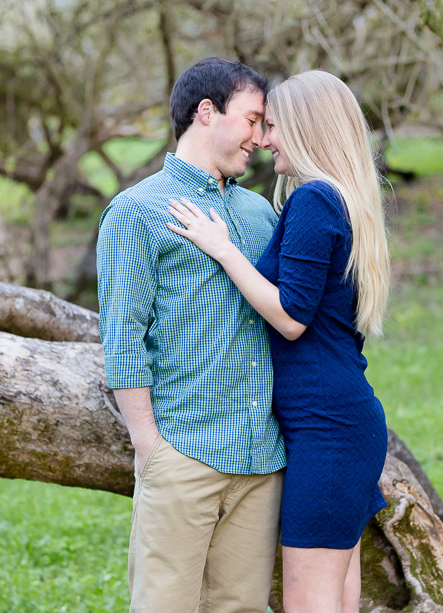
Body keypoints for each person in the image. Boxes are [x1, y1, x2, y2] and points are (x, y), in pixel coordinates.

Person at [166, 70, 391, 613]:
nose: (264, 140)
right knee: (335, 598)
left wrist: (223, 248)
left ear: (307, 129)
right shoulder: (339, 199)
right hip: (338, 421)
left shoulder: (315, 200)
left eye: (273, 125)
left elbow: (291, 317)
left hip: (327, 429)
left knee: (307, 601)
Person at [96, 56, 286, 613]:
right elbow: (123, 336)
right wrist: (149, 447)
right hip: (183, 453)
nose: (260, 138)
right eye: (252, 120)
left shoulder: (259, 213)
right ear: (207, 112)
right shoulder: (136, 212)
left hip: (259, 459)